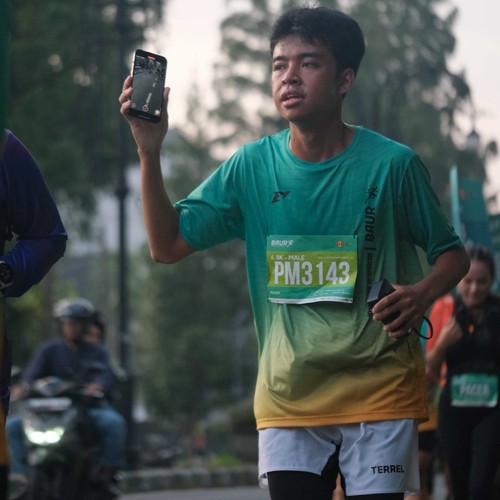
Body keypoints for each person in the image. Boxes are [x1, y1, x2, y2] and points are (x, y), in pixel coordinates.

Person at [119, 6, 469, 499]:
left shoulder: (394, 166)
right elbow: (166, 244)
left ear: (345, 79)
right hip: (289, 398)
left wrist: (422, 293)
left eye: (309, 63)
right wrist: (149, 150)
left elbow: (453, 255)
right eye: (279, 65)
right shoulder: (251, 167)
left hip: (380, 391)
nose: (290, 76)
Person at [7, 298, 126, 497]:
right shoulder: (49, 350)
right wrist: (24, 387)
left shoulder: (97, 352)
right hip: (50, 411)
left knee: (114, 422)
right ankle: (25, 477)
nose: (71, 328)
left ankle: (106, 474)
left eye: (76, 323)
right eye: (67, 323)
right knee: (12, 426)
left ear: (85, 325)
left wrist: (97, 386)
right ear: (61, 326)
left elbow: (106, 376)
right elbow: (31, 375)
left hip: (87, 407)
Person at [426, 245, 500, 500]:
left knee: (480, 486)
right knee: (457, 485)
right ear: (459, 281)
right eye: (468, 281)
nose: (474, 289)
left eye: (482, 282)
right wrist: (443, 342)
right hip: (454, 407)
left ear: (491, 281)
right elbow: (429, 369)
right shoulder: (444, 309)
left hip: (491, 409)